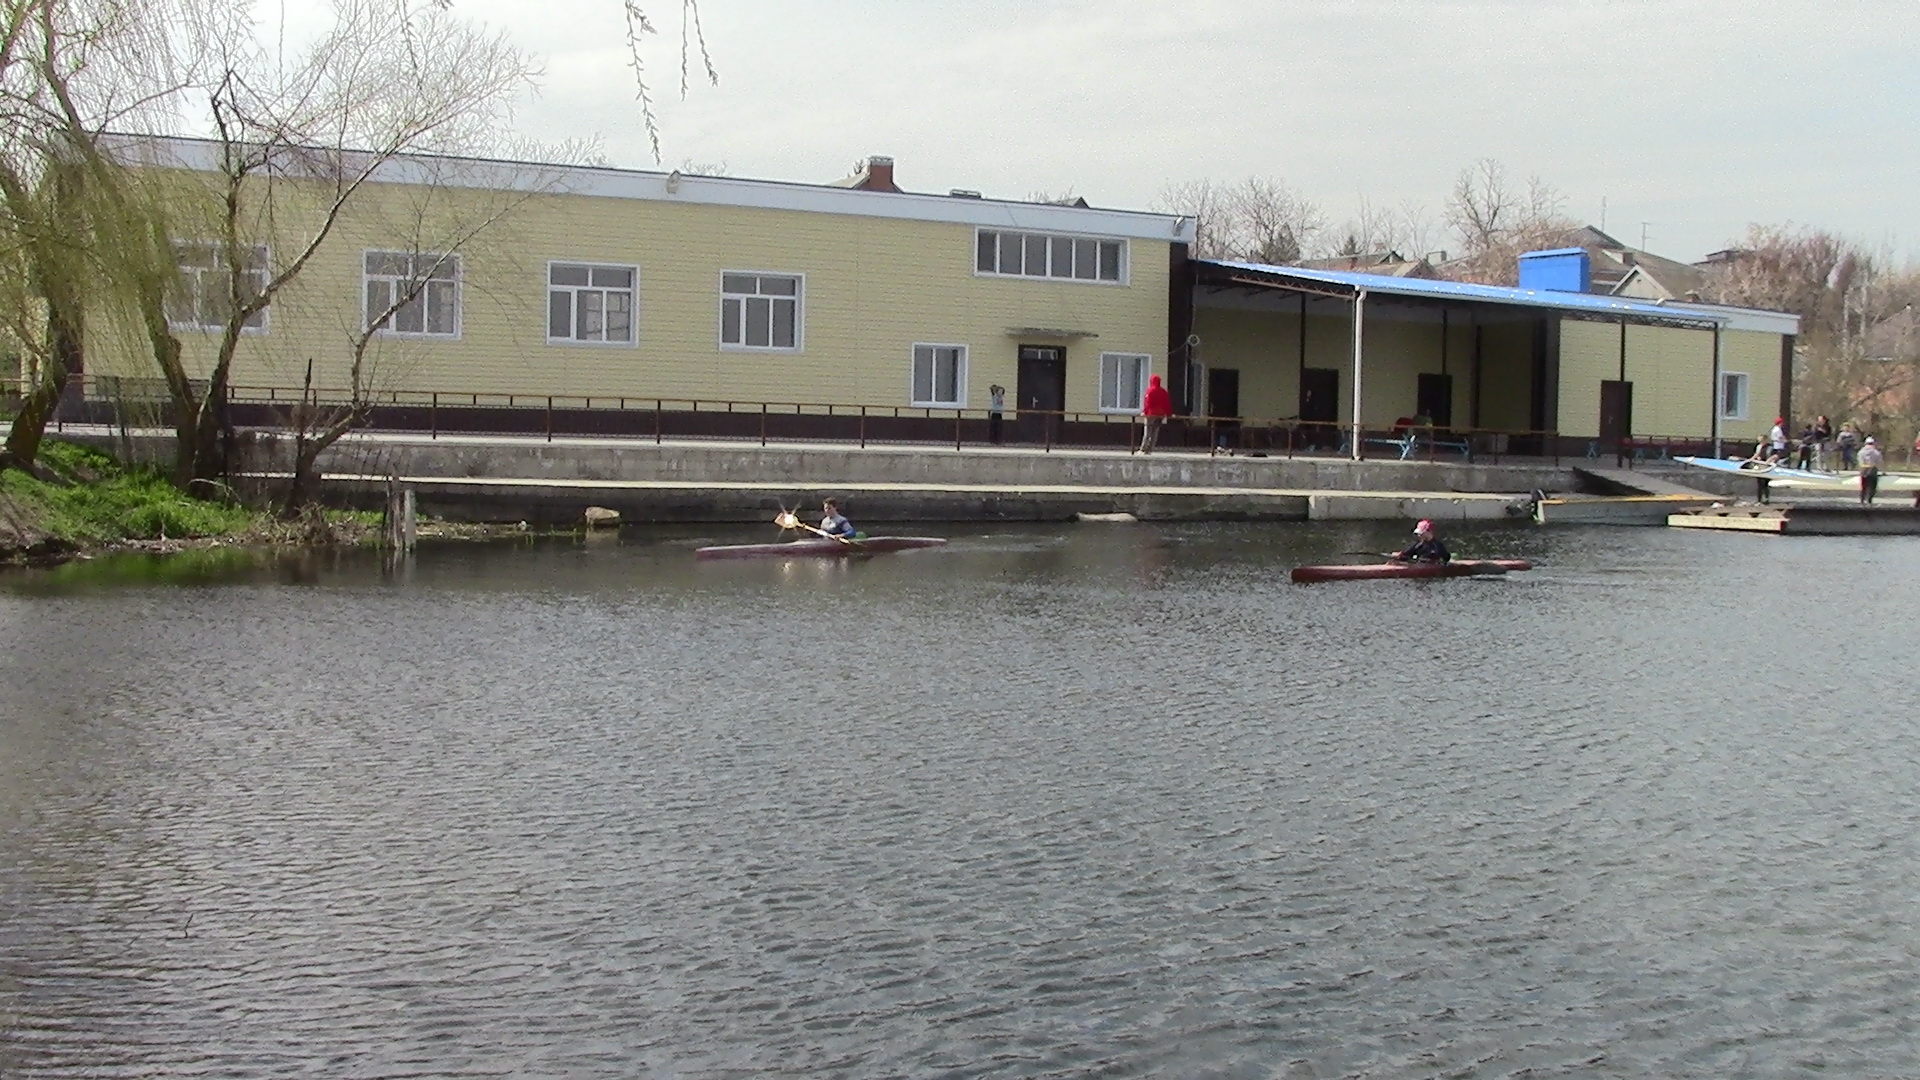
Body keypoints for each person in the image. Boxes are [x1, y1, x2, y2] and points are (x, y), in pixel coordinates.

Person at [1139, 373, 1173, 453]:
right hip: (1160, 415)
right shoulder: (1163, 392)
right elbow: (1167, 404)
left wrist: (1145, 412)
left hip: (1151, 414)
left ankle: (1143, 449)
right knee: (1155, 432)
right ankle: (1150, 449)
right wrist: (1169, 414)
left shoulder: (1150, 391)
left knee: (1147, 432)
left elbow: (1148, 403)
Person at [1859, 436, 1884, 505]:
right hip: (1873, 471)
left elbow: (1860, 463)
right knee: (1872, 487)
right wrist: (1883, 471)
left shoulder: (1861, 452)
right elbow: (1880, 462)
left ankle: (1862, 500)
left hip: (1864, 471)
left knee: (1864, 487)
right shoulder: (1876, 452)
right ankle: (1869, 500)